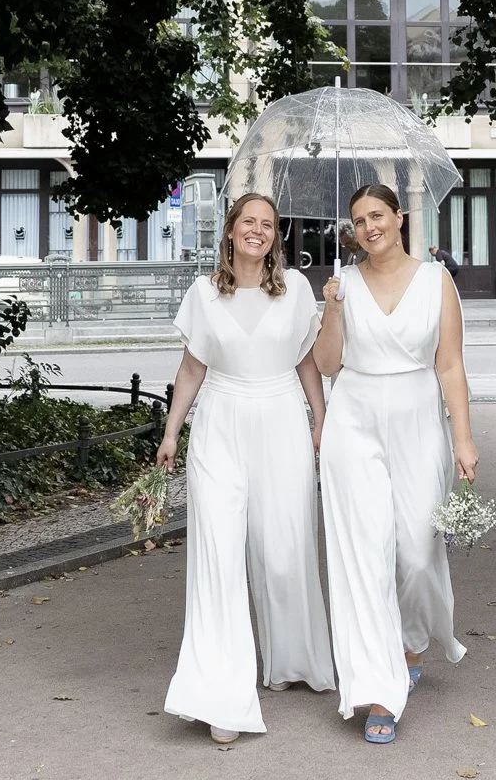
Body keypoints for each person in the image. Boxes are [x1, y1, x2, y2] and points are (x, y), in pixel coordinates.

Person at [159, 193, 334, 743]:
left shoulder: (298, 291)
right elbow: (191, 369)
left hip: (282, 419)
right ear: (230, 232)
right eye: (248, 223)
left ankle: (291, 658)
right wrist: (170, 433)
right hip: (220, 427)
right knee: (217, 557)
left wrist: (321, 419)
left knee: (284, 550)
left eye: (268, 225)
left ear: (275, 236)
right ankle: (220, 696)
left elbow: (308, 359)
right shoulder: (204, 294)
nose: (258, 231)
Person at [315, 183, 478, 744]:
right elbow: (327, 363)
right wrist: (332, 311)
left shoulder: (437, 281)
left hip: (416, 424)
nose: (368, 228)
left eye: (377, 216)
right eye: (358, 221)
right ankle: (378, 688)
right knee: (363, 555)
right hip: (353, 423)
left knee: (415, 548)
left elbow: (450, 366)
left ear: (399, 218)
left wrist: (463, 438)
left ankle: (411, 639)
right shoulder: (344, 285)